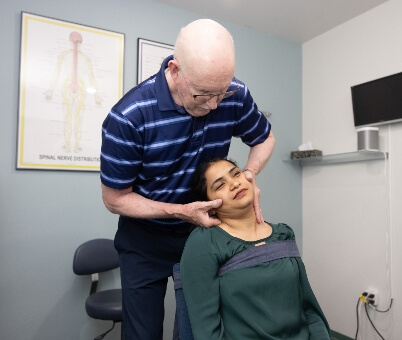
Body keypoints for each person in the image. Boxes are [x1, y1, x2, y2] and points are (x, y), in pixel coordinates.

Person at [100, 19, 275, 339]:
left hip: (202, 234)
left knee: (198, 330)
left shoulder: (234, 94)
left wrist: (248, 176)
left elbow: (264, 139)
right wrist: (178, 210)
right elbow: (114, 198)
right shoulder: (128, 117)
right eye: (202, 94)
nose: (213, 105)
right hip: (144, 240)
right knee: (142, 333)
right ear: (175, 69)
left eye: (220, 94)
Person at [180, 158, 331, 339]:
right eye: (220, 185)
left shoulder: (283, 233)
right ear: (209, 206)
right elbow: (206, 331)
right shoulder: (204, 242)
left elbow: (310, 310)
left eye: (236, 173)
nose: (234, 184)